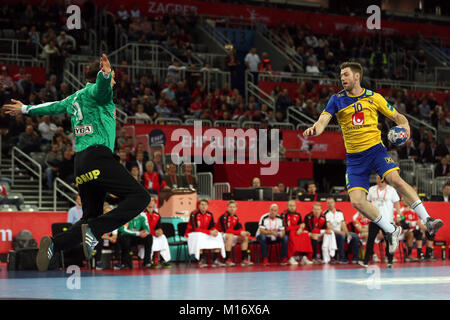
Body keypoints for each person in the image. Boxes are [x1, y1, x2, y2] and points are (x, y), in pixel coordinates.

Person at [3, 54, 151, 272]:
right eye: (113, 79)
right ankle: (94, 229)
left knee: (90, 216)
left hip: (80, 163)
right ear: (98, 76)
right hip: (98, 156)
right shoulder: (97, 91)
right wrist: (105, 74)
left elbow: (53, 107)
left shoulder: (73, 98)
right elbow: (101, 89)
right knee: (141, 197)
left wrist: (25, 109)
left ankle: (55, 244)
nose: (115, 82)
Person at [303, 61, 443, 257]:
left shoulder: (374, 97)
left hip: (376, 151)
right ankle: (391, 229)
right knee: (357, 201)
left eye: (346, 75)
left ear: (357, 76)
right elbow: (322, 121)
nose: (342, 78)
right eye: (341, 75)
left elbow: (399, 117)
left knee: (395, 180)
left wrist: (406, 127)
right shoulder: (336, 100)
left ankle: (428, 219)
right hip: (354, 158)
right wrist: (315, 129)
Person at [359, 175, 401, 268]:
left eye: (381, 178)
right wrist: (364, 213)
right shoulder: (371, 189)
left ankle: (390, 261)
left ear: (385, 179)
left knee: (388, 240)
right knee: (370, 240)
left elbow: (397, 202)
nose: (379, 180)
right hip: (374, 219)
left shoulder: (391, 190)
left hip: (387, 220)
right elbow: (367, 202)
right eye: (378, 178)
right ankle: (366, 261)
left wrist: (398, 215)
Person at [185, 199, 225, 267]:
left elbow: (212, 226)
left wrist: (214, 230)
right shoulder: (194, 214)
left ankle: (215, 259)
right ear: (199, 206)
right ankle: (201, 259)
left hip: (205, 233)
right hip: (192, 233)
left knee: (218, 235)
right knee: (200, 236)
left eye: (205, 205)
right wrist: (209, 232)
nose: (204, 206)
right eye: (202, 204)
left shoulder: (210, 214)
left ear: (208, 206)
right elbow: (195, 229)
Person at [215, 200, 252, 266]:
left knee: (244, 237)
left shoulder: (235, 217)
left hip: (230, 234)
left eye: (234, 207)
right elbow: (226, 230)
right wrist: (240, 232)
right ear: (227, 208)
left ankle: (244, 259)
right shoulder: (224, 217)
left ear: (236, 208)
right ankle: (227, 259)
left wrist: (245, 233)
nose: (232, 208)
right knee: (230, 236)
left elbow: (238, 229)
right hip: (220, 234)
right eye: (230, 207)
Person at [324, 197, 359, 264]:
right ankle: (342, 258)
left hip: (341, 231)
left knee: (354, 236)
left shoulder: (339, 212)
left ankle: (355, 258)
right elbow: (329, 227)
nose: (330, 204)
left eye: (331, 202)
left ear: (334, 203)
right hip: (332, 233)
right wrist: (340, 232)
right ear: (326, 204)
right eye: (328, 203)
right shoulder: (325, 214)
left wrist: (348, 234)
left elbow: (343, 224)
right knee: (342, 236)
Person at [280, 200, 313, 265]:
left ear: (296, 206)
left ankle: (304, 257)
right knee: (290, 236)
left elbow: (301, 224)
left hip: (296, 231)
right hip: (286, 232)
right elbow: (286, 227)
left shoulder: (298, 214)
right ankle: (290, 257)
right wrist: (298, 227)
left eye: (293, 206)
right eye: (290, 206)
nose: (292, 207)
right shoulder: (284, 214)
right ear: (287, 206)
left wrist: (301, 228)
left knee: (305, 235)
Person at [145, 196, 171, 268]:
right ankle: (152, 260)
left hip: (154, 233)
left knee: (163, 237)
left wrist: (159, 231)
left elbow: (159, 226)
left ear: (154, 203)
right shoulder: (142, 213)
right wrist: (153, 232)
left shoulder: (157, 215)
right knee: (151, 239)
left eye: (152, 200)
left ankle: (164, 259)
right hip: (145, 234)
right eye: (149, 200)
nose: (151, 202)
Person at [95, 204, 121, 270]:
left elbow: (115, 234)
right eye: (106, 212)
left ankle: (117, 262)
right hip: (102, 240)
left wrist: (114, 238)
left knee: (117, 241)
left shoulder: (114, 222)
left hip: (109, 240)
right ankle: (98, 263)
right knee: (99, 241)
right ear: (103, 213)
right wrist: (109, 238)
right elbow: (99, 235)